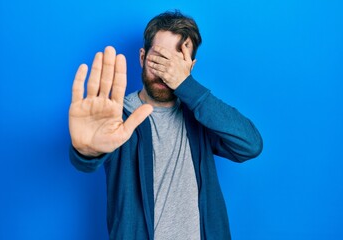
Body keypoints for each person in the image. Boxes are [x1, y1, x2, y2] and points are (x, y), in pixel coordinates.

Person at [69, 10, 263, 240]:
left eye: (174, 63)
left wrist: (188, 87)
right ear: (142, 57)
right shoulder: (115, 116)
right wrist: (86, 152)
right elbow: (88, 158)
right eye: (158, 60)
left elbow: (250, 145)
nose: (164, 73)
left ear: (190, 67)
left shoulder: (200, 115)